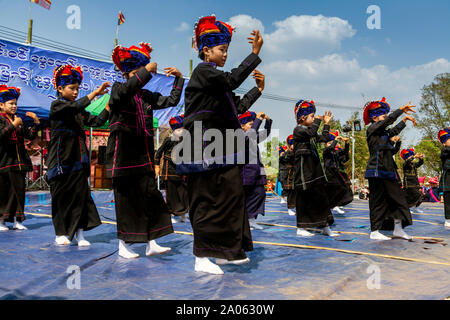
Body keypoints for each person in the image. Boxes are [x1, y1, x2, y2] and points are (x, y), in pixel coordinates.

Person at [178, 15, 264, 275]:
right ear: (206, 50)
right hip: (201, 146)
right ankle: (202, 256)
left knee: (231, 197)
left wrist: (258, 91)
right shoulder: (203, 71)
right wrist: (254, 55)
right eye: (221, 50)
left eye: (227, 50)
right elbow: (233, 80)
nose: (225, 54)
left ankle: (226, 252)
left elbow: (236, 108)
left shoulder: (215, 80)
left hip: (222, 148)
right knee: (207, 200)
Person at [108, 42, 185, 259]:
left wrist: (178, 79)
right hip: (123, 156)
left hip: (144, 156)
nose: (141, 76)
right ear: (127, 73)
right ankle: (124, 244)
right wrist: (146, 71)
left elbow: (171, 100)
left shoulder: (147, 96)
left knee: (151, 198)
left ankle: (152, 242)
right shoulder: (118, 90)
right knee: (127, 202)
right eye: (136, 72)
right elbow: (124, 90)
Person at [47, 65, 110, 246]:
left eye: (77, 89)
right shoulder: (57, 105)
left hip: (79, 158)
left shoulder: (79, 111)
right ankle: (60, 232)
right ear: (60, 88)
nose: (75, 92)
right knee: (61, 197)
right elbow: (75, 106)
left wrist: (107, 107)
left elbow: (97, 121)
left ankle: (80, 234)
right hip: (60, 159)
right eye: (71, 88)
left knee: (80, 196)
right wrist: (95, 93)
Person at [363, 97, 416, 240]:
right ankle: (374, 231)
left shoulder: (384, 133)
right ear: (374, 118)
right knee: (377, 201)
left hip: (388, 170)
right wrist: (400, 111)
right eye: (384, 115)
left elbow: (393, 130)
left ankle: (398, 229)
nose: (386, 118)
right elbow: (388, 123)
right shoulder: (372, 129)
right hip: (376, 170)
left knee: (398, 199)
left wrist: (404, 121)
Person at [293, 100, 338, 237]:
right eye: (312, 116)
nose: (314, 118)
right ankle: (301, 227)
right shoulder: (298, 130)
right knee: (304, 197)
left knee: (321, 196)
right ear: (302, 118)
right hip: (304, 168)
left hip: (314, 168)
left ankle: (325, 226)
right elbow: (312, 132)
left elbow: (324, 137)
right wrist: (318, 121)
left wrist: (327, 123)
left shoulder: (309, 131)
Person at [0, 85, 40, 231]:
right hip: (5, 161)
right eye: (11, 103)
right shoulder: (1, 119)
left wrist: (36, 123)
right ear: (1, 105)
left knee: (19, 192)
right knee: (4, 193)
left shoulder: (17, 119)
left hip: (19, 162)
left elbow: (29, 136)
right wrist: (13, 125)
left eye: (15, 103)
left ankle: (18, 220)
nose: (14, 106)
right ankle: (2, 221)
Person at [239, 111, 272, 230]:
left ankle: (251, 219)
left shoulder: (254, 137)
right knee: (246, 197)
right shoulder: (241, 136)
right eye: (250, 124)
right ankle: (244, 220)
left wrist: (267, 121)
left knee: (260, 193)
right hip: (246, 172)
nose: (253, 126)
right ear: (242, 126)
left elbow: (266, 132)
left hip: (257, 171)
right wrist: (257, 121)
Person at [155, 115, 189, 224]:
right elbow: (158, 153)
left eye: (181, 129)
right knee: (171, 194)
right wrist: (156, 166)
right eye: (178, 129)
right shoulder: (168, 139)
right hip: (168, 171)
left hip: (182, 170)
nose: (181, 131)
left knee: (184, 193)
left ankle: (183, 213)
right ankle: (170, 214)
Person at [323, 130, 353, 214]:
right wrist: (336, 139)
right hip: (329, 174)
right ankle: (331, 205)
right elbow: (330, 148)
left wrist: (346, 143)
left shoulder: (335, 152)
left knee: (342, 188)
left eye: (332, 142)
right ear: (326, 144)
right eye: (329, 142)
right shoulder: (326, 151)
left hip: (336, 173)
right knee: (331, 191)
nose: (332, 144)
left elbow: (344, 153)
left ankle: (335, 205)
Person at [400, 148, 425, 213]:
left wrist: (421, 158)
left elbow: (420, 163)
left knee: (421, 195)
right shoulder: (405, 164)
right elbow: (408, 161)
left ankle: (415, 207)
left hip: (415, 182)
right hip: (408, 183)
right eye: (410, 156)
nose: (412, 157)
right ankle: (409, 208)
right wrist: (414, 156)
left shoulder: (413, 164)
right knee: (411, 196)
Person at [437, 128, 450, 228]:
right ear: (444, 143)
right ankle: (448, 219)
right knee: (448, 201)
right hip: (448, 180)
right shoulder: (444, 150)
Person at [284, 135, 296, 216]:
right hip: (290, 175)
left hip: (297, 174)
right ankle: (290, 208)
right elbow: (287, 158)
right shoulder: (288, 153)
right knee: (291, 192)